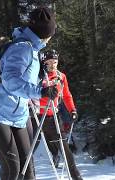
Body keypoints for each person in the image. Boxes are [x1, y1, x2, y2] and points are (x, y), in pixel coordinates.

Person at [0, 7, 58, 180]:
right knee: (12, 168)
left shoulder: (33, 49)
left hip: (18, 115)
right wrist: (40, 91)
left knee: (27, 166)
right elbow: (10, 81)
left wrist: (39, 77)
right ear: (46, 33)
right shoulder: (23, 48)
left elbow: (23, 81)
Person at [31, 49, 83, 180]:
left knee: (66, 150)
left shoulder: (61, 76)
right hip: (36, 118)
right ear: (44, 62)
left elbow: (66, 95)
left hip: (53, 118)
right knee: (28, 150)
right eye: (49, 62)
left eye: (55, 61)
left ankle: (76, 177)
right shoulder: (37, 75)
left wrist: (72, 110)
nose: (53, 64)